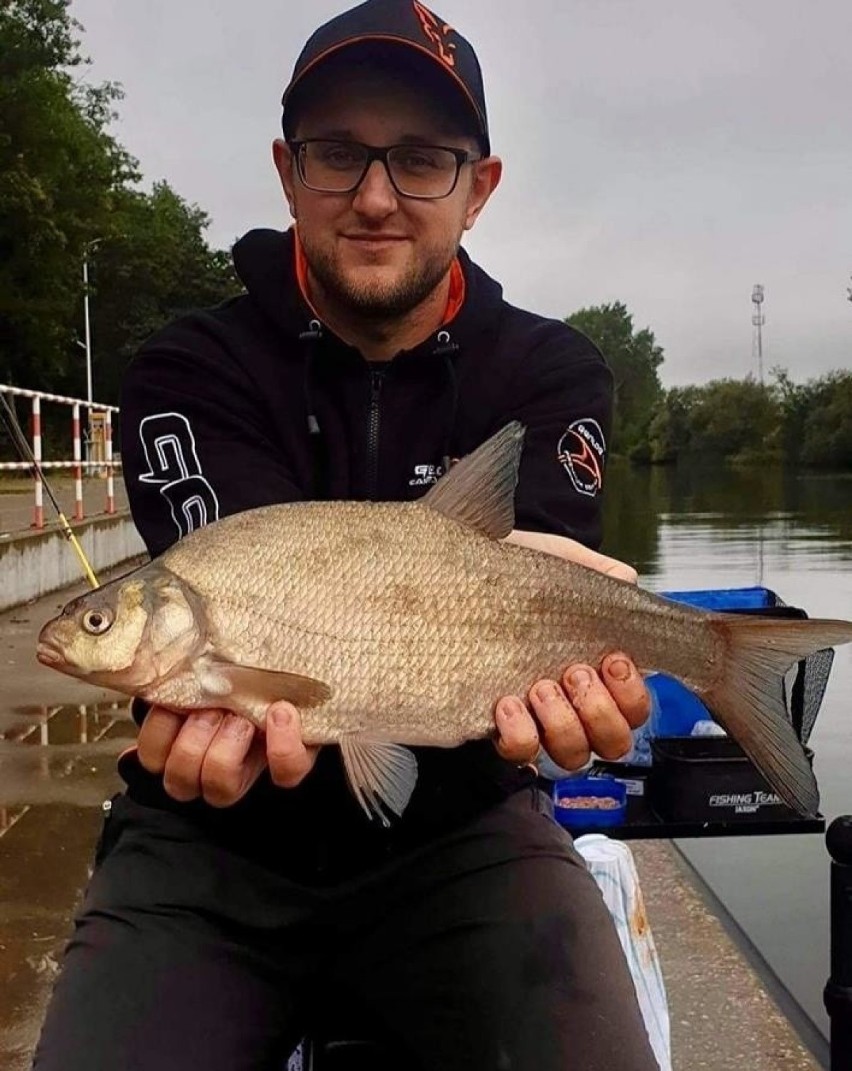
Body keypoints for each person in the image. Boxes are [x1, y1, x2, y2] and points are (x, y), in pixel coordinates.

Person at [33, 2, 660, 1069]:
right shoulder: (189, 369)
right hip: (206, 852)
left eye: (421, 159)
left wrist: (597, 657)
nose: (376, 197)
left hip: (469, 836)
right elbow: (248, 572)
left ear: (479, 187)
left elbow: (545, 584)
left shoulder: (550, 373)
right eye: (338, 155)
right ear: (287, 172)